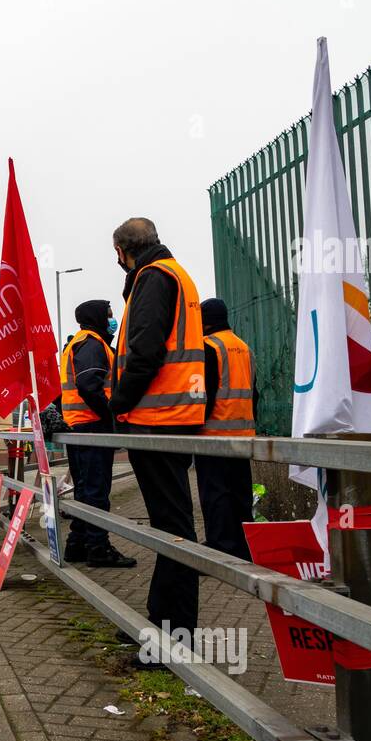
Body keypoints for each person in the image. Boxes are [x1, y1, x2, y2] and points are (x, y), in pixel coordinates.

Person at [109, 218, 207, 658]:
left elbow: (146, 350)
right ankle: (160, 623)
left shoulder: (152, 278)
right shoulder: (173, 274)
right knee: (171, 526)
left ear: (122, 250)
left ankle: (173, 637)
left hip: (158, 417)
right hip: (172, 415)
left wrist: (118, 404)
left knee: (173, 530)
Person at [58, 299, 136, 568]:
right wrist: (110, 415)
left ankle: (77, 544)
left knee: (85, 490)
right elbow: (89, 384)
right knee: (96, 491)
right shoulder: (92, 344)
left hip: (79, 425)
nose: (112, 319)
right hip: (91, 425)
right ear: (97, 317)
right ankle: (98, 548)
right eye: (109, 315)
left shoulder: (80, 343)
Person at [195, 298, 257, 561]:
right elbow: (254, 392)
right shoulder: (243, 347)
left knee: (216, 494)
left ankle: (221, 547)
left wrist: (194, 427)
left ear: (205, 321)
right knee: (240, 492)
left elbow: (204, 395)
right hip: (243, 434)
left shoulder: (209, 347)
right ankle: (244, 546)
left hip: (214, 434)